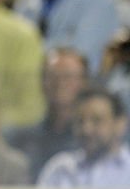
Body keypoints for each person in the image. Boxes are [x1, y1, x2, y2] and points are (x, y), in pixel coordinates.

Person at [6, 48, 88, 179]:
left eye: (68, 76)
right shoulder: (19, 139)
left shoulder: (92, 139)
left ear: (84, 83)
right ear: (41, 82)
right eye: (52, 76)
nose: (60, 83)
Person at [38, 87, 130, 188]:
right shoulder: (60, 169)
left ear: (120, 124)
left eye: (96, 120)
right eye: (80, 121)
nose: (87, 130)